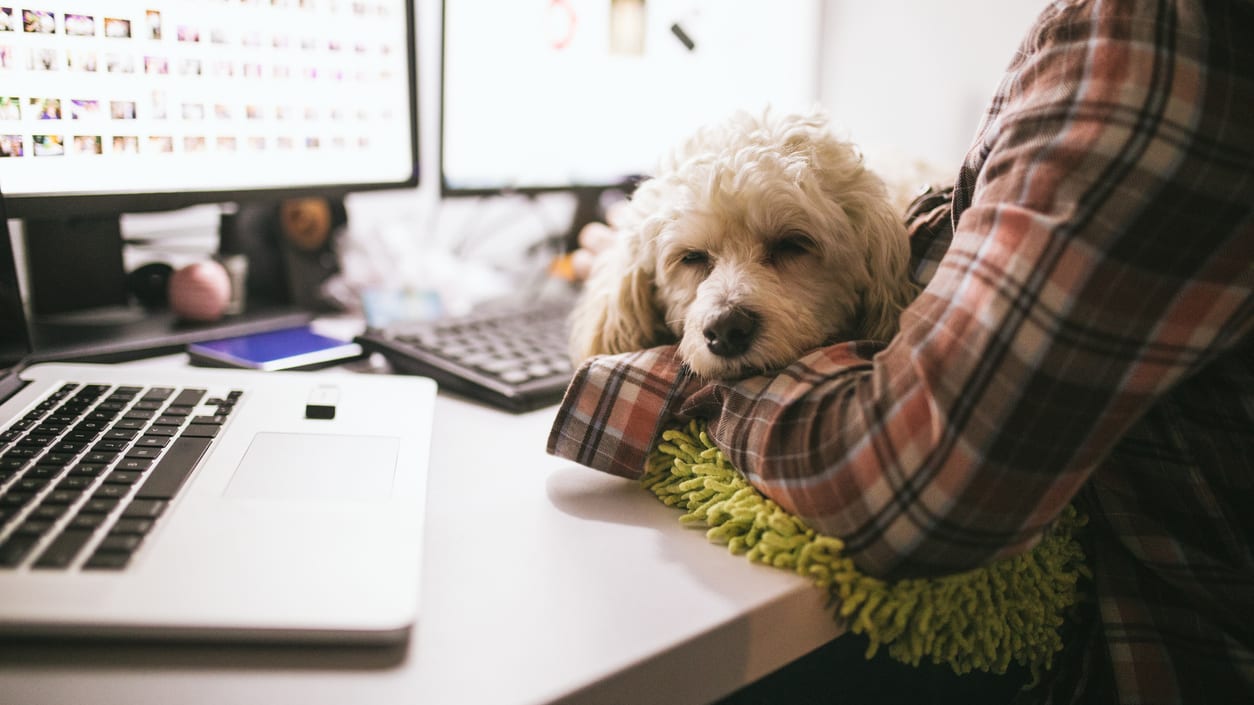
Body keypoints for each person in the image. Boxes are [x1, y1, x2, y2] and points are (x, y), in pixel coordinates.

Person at [547, 0, 1254, 702]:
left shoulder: (1156, 39)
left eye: (789, 247)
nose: (726, 309)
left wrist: (671, 384)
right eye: (694, 259)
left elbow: (921, 478)